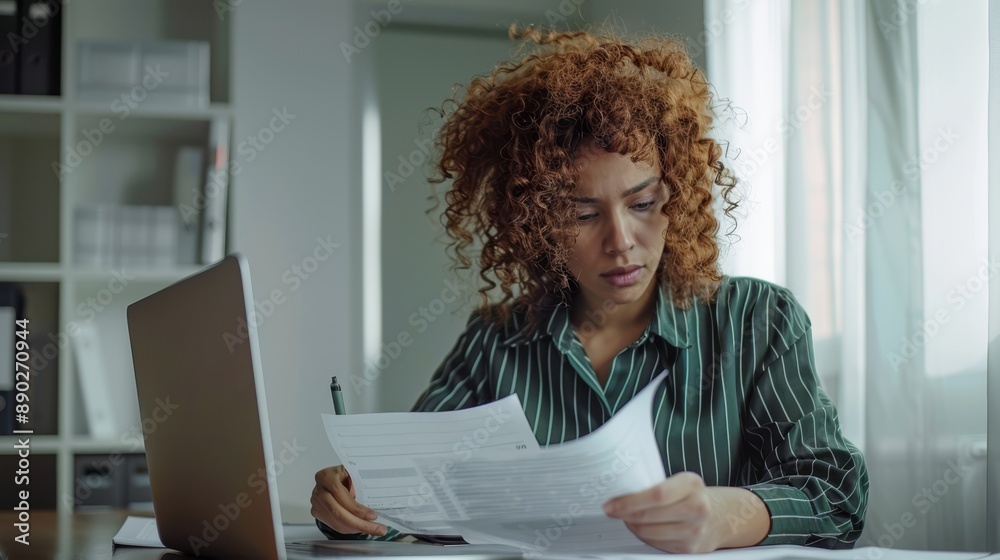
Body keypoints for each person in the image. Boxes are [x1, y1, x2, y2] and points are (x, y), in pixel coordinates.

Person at [311, 24, 868, 554]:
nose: (621, 241)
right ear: (536, 224)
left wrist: (728, 515)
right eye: (582, 214)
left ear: (678, 198)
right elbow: (407, 498)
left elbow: (837, 495)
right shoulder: (497, 342)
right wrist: (349, 503)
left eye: (644, 204)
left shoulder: (757, 320)